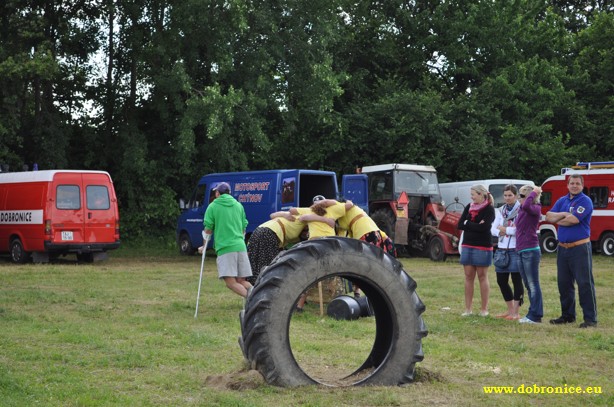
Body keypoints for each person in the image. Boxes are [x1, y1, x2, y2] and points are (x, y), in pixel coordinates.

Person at [546, 174, 597, 328]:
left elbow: (573, 220)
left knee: (584, 283)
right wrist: (563, 214)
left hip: (579, 248)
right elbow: (548, 217)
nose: (574, 186)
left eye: (577, 183)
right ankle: (568, 316)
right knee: (564, 283)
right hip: (563, 248)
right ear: (567, 185)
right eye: (572, 183)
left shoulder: (585, 201)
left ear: (582, 185)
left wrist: (560, 219)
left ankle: (590, 319)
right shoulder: (562, 200)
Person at [202, 182, 252, 298]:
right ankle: (260, 297)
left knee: (230, 282)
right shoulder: (239, 205)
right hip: (240, 246)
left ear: (217, 193)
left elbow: (208, 229)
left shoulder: (213, 206)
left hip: (226, 248)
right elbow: (243, 227)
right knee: (241, 280)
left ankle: (253, 301)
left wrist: (204, 247)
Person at [457, 184, 495, 317]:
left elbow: (484, 228)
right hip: (467, 245)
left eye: (473, 194)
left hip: (483, 246)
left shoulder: (489, 209)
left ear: (481, 194)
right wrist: (472, 224)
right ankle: (468, 309)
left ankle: (484, 309)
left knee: (482, 276)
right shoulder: (468, 207)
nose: (471, 197)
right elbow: (460, 224)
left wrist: (469, 224)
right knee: (468, 276)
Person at [490, 185, 523, 320]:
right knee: (501, 280)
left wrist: (505, 230)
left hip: (516, 249)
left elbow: (519, 230)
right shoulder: (500, 210)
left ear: (515, 196)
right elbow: (492, 229)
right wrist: (501, 230)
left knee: (517, 280)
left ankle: (516, 312)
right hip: (502, 249)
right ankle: (509, 310)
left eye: (510, 195)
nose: (507, 198)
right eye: (505, 195)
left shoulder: (521, 210)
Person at [515, 185, 544, 324]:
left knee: (533, 284)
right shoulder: (522, 209)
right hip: (521, 250)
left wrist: (533, 192)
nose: (518, 198)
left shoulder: (535, 208)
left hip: (530, 250)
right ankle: (532, 312)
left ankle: (536, 315)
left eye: (521, 195)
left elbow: (527, 205)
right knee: (527, 284)